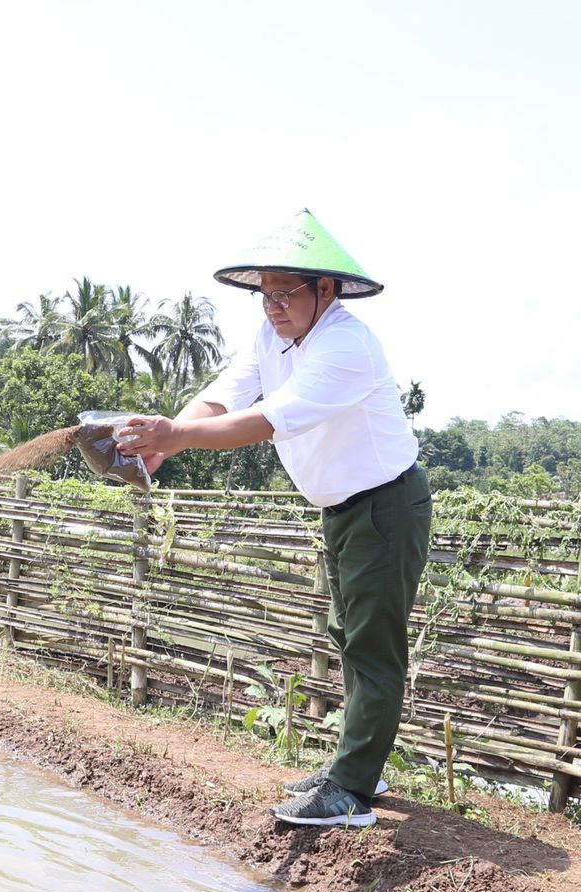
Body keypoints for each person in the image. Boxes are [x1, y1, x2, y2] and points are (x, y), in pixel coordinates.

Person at [116, 209, 432, 830]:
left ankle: (351, 789)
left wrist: (178, 435)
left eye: (286, 292)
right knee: (351, 637)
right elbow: (227, 393)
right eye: (265, 294)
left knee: (373, 644)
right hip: (344, 509)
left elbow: (268, 419)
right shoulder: (273, 338)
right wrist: (167, 439)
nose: (273, 306)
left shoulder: (347, 345)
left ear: (327, 289)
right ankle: (356, 763)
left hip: (385, 504)